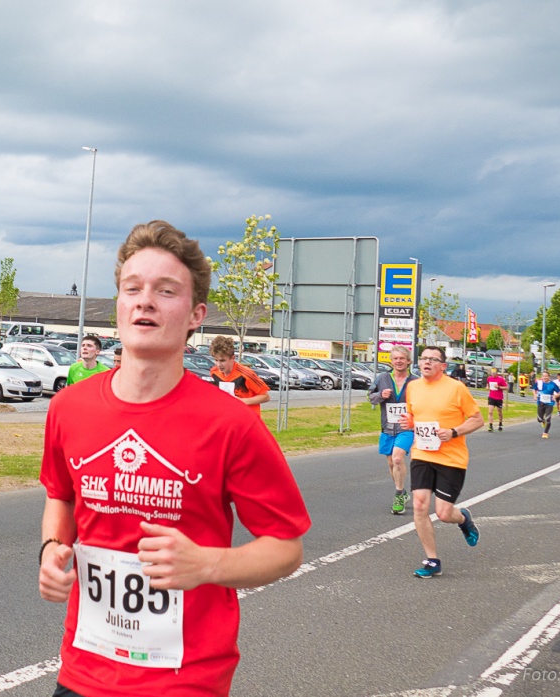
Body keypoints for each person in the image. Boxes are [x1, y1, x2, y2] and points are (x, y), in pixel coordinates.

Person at [38, 221, 310, 697]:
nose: (145, 301)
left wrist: (207, 565)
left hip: (186, 679)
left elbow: (286, 547)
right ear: (119, 306)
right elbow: (60, 498)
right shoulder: (68, 408)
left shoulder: (231, 424)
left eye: (166, 291)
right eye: (133, 288)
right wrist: (51, 550)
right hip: (84, 668)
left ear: (195, 314)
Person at [400, 345, 485, 578]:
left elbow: (477, 420)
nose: (426, 362)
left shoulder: (456, 388)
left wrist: (454, 432)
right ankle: (432, 560)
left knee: (444, 513)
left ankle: (464, 518)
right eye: (423, 358)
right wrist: (409, 422)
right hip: (422, 453)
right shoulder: (413, 387)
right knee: (419, 504)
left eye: (433, 359)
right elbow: (413, 416)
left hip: (451, 457)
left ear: (443, 366)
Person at [368, 347, 417, 514]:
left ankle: (398, 495)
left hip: (406, 428)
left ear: (408, 361)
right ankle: (401, 490)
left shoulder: (415, 382)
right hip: (387, 427)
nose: (398, 361)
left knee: (397, 459)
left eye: (402, 358)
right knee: (390, 462)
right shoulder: (382, 378)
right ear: (391, 361)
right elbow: (371, 397)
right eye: (395, 358)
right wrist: (381, 394)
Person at [209, 335, 271, 416]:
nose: (219, 364)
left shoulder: (246, 374)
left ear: (232, 358)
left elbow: (266, 397)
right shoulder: (214, 372)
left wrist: (243, 402)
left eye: (222, 361)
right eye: (216, 360)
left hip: (248, 421)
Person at [534, 372, 560, 439]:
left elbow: (559, 393)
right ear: (542, 377)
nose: (545, 378)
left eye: (546, 376)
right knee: (539, 419)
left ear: (549, 377)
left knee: (548, 418)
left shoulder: (553, 384)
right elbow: (534, 389)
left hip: (549, 403)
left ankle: (545, 433)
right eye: (543, 376)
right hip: (540, 402)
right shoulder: (539, 383)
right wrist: (535, 395)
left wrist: (555, 396)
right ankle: (542, 421)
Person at [485, 367, 509, 432]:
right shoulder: (489, 378)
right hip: (491, 396)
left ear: (496, 373)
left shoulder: (500, 379)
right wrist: (487, 387)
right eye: (491, 373)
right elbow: (487, 385)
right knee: (490, 411)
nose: (492, 374)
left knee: (499, 412)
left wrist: (499, 387)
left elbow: (506, 387)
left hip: (499, 398)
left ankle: (500, 424)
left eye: (494, 373)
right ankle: (490, 425)